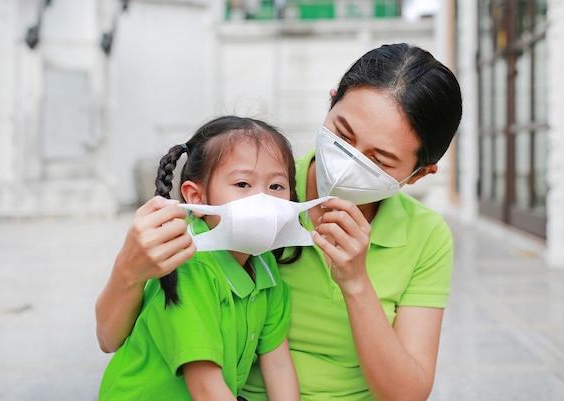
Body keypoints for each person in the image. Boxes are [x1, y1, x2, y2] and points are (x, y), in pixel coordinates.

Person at [95, 43, 463, 401]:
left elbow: (406, 395)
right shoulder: (253, 197)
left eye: (379, 160)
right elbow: (112, 338)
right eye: (343, 134)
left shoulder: (426, 236)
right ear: (331, 100)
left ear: (417, 175)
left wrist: (356, 283)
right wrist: (129, 268)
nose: (349, 161)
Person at [98, 115, 301, 401]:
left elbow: (278, 364)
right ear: (196, 197)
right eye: (243, 184)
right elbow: (206, 389)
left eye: (276, 187)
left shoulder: (266, 265)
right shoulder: (188, 265)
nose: (263, 200)